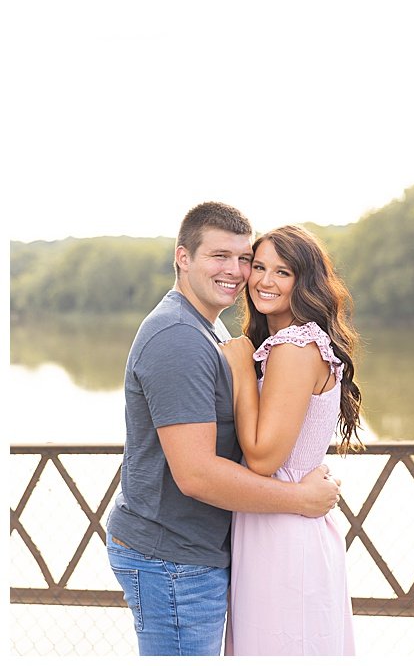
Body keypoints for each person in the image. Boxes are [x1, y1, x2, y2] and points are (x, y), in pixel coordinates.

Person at [104, 203, 341, 656]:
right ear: (183, 258)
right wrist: (301, 497)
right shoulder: (178, 337)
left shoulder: (209, 330)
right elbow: (196, 474)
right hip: (172, 558)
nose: (237, 271)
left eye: (242, 258)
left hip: (196, 553)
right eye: (219, 257)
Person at [219, 225, 362, 654]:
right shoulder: (288, 343)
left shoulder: (295, 346)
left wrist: (243, 366)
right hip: (277, 517)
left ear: (305, 281)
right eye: (258, 266)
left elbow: (262, 457)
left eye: (282, 272)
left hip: (283, 529)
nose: (264, 280)